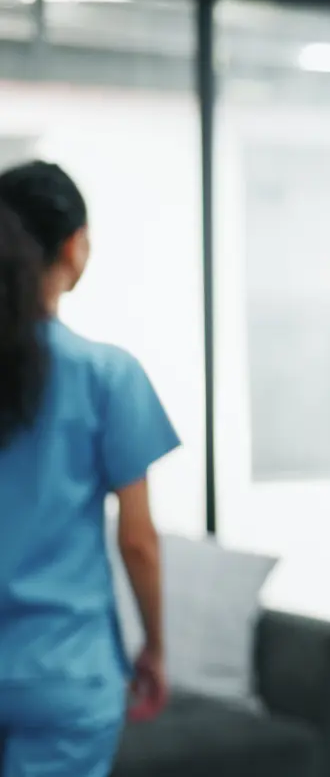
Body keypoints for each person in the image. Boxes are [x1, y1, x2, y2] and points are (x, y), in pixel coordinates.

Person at [0, 161, 176, 775]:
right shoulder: (106, 375)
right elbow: (139, 543)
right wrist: (154, 647)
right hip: (65, 674)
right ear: (73, 247)